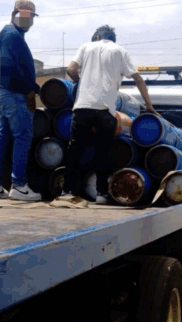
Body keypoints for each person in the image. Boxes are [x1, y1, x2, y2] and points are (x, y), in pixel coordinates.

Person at [58, 25, 158, 204]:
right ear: (112, 38)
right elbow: (138, 78)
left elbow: (71, 69)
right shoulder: (120, 51)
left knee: (74, 150)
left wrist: (81, 83)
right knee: (103, 152)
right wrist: (149, 105)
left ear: (96, 36)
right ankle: (101, 194)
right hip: (105, 110)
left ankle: (67, 190)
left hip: (82, 108)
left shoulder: (85, 47)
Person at [0, 0, 42, 201]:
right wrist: (28, 91)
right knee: (22, 137)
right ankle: (18, 185)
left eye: (31, 16)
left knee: (2, 139)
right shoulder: (11, 36)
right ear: (14, 14)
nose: (28, 20)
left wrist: (37, 88)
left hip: (6, 93)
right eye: (25, 15)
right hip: (14, 95)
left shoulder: (9, 36)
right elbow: (10, 71)